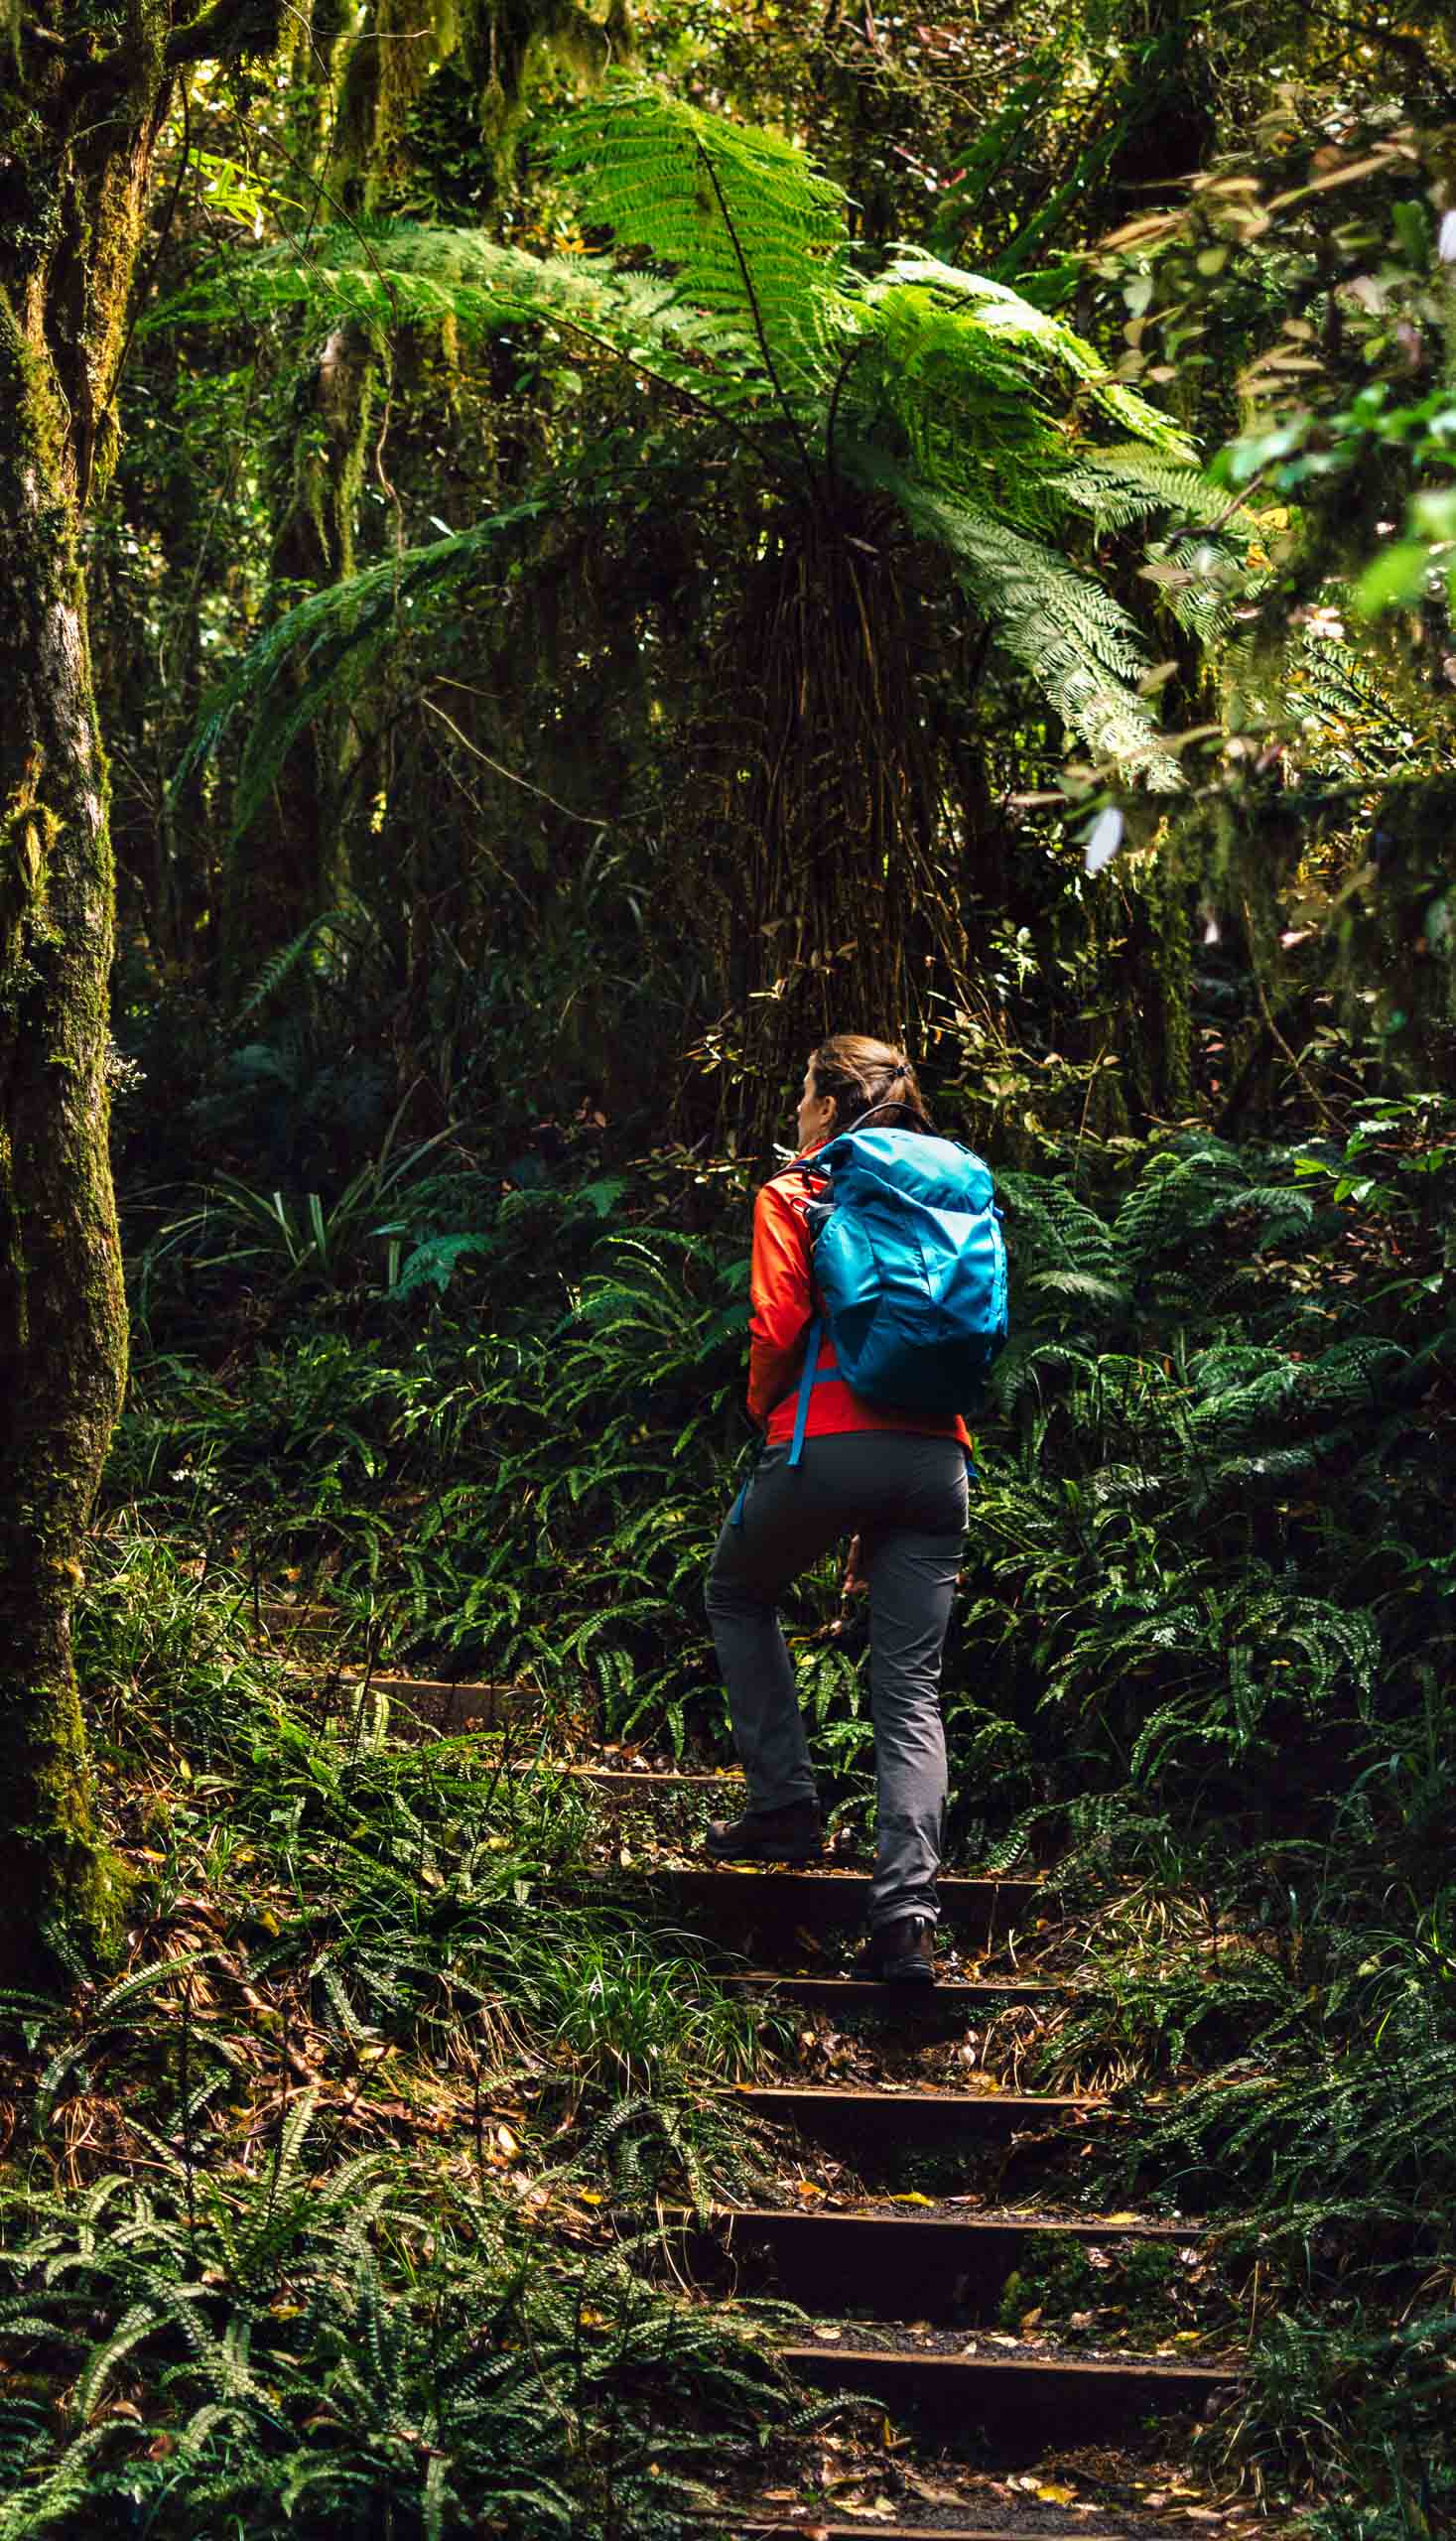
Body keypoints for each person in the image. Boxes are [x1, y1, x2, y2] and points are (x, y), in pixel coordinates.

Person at [703, 1035, 971, 1986]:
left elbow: (777, 1323)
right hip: (939, 1461)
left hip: (823, 1443)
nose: (799, 1113)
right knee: (909, 1689)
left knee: (737, 1591)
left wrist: (763, 1409)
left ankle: (783, 1805)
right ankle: (905, 1919)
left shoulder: (798, 1192)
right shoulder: (950, 1195)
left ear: (827, 1101)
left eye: (803, 1094)